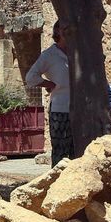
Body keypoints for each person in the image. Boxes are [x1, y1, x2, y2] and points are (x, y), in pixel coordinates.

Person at [25, 21, 73, 165]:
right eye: (64, 29)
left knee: (78, 151)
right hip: (60, 109)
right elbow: (31, 77)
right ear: (57, 32)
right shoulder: (49, 55)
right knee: (60, 151)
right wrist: (48, 84)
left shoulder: (77, 52)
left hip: (81, 109)